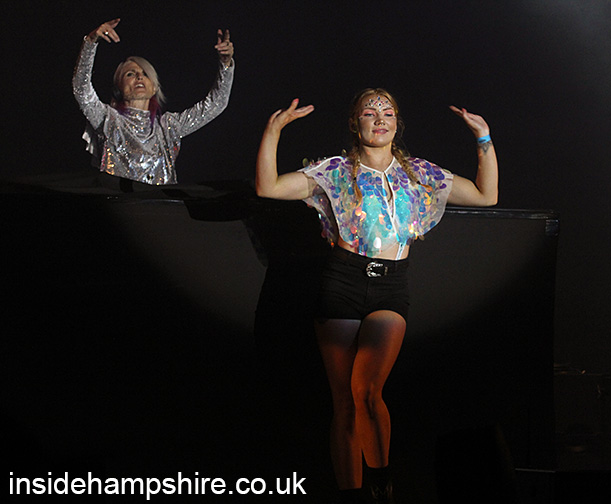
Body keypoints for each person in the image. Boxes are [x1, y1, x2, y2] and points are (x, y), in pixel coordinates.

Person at [255, 89, 498, 503]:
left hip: (390, 285)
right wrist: (273, 131)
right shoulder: (336, 171)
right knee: (344, 402)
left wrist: (483, 138)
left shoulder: (418, 173)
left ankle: (382, 483)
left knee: (366, 389)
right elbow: (268, 188)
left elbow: (486, 195)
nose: (379, 117)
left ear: (397, 124)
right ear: (356, 124)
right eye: (370, 112)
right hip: (343, 281)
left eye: (387, 112)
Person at [72, 18, 235, 186]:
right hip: (119, 200)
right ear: (118, 87)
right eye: (130, 74)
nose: (139, 77)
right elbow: (81, 90)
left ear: (154, 87)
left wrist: (226, 65)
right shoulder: (108, 119)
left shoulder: (167, 127)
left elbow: (216, 105)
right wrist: (90, 42)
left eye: (145, 74)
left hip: (160, 201)